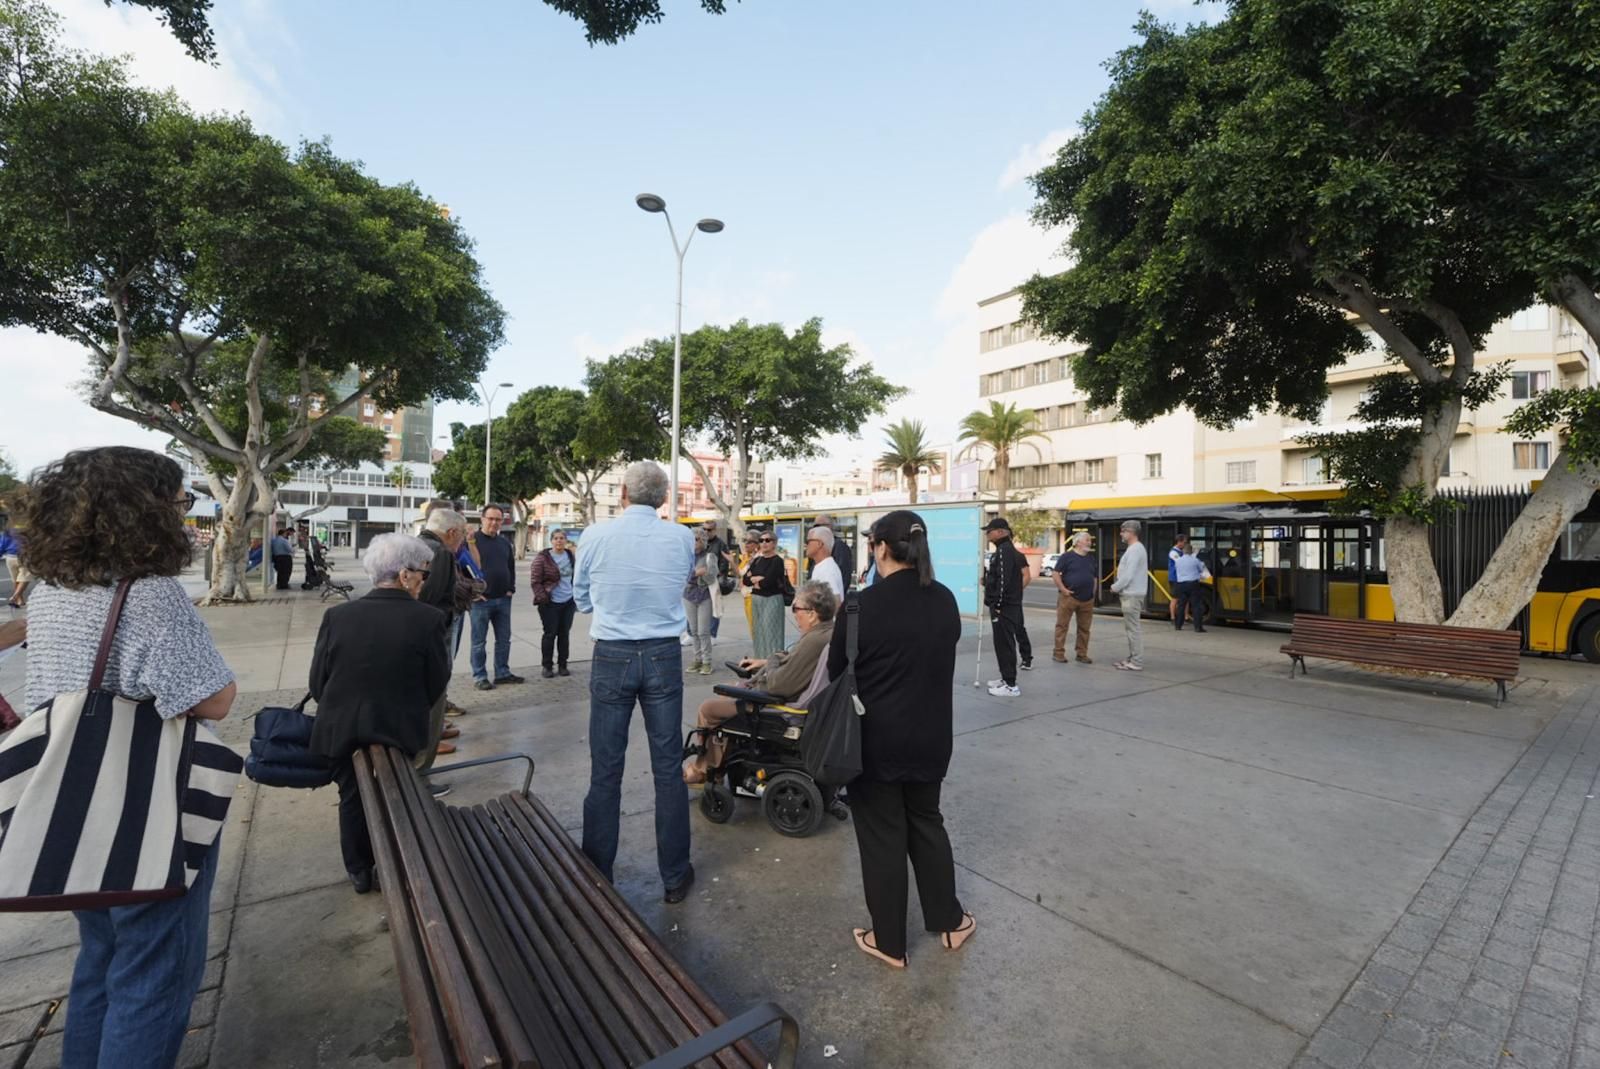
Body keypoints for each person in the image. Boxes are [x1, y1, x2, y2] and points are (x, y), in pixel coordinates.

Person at [15, 446, 237, 1068]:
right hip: (143, 806)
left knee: (101, 959)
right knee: (155, 974)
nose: (182, 514)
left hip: (70, 800)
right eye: (178, 502)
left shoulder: (54, 588)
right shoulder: (150, 594)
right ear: (147, 512)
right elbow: (215, 701)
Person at [828, 510, 972, 969]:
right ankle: (949, 921)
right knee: (927, 822)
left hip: (873, 744)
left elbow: (836, 674)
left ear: (882, 548)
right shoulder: (946, 601)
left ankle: (889, 942)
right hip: (931, 738)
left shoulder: (858, 607)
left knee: (882, 838)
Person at [573, 461, 697, 904]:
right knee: (668, 769)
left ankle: (598, 873)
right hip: (663, 654)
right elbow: (680, 582)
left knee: (605, 770)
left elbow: (582, 597)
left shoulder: (594, 535)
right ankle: (675, 875)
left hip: (613, 655)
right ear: (664, 498)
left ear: (623, 493)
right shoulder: (682, 536)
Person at [309, 533, 450, 893]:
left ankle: (359, 870)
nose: (424, 581)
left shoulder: (337, 615)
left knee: (351, 796)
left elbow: (317, 683)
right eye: (423, 574)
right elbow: (436, 682)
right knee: (395, 794)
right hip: (397, 729)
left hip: (341, 728)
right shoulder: (429, 619)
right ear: (404, 575)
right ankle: (394, 860)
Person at [683, 580, 837, 784]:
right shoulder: (826, 632)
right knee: (729, 693)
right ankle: (716, 765)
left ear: (812, 613)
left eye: (796, 608)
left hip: (779, 706)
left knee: (708, 708)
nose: (794, 613)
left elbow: (778, 685)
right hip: (791, 699)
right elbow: (794, 666)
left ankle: (705, 770)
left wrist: (770, 662)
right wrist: (764, 663)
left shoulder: (813, 641)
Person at [416, 508, 466, 763]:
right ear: (452, 532)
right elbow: (432, 599)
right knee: (433, 691)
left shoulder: (415, 544)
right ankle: (427, 748)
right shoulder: (442, 553)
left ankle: (433, 735)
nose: (462, 542)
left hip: (413, 632)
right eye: (462, 536)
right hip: (432, 633)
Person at [466, 504, 522, 690]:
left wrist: (510, 589)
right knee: (479, 642)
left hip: (503, 600)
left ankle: (502, 673)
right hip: (481, 602)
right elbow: (463, 570)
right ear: (482, 519)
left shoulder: (505, 542)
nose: (494, 523)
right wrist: (472, 593)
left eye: (498, 519)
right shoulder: (472, 541)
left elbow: (510, 568)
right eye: (490, 518)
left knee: (504, 640)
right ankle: (480, 676)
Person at [982, 517, 1033, 697]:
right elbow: (1001, 579)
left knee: (1005, 644)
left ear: (1002, 532)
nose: (987, 534)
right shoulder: (1003, 551)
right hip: (1005, 605)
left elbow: (1004, 581)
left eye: (990, 531)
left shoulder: (1005, 551)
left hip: (1004, 607)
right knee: (1003, 643)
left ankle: (1010, 684)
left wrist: (999, 604)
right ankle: (1006, 678)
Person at [529, 528, 577, 678]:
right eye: (556, 538)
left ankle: (563, 665)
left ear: (566, 540)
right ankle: (547, 666)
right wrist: (543, 597)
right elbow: (535, 581)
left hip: (568, 602)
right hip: (550, 602)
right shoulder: (543, 558)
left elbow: (576, 576)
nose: (559, 541)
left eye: (562, 538)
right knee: (550, 634)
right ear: (551, 541)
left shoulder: (570, 555)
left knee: (564, 634)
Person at [743, 529, 792, 660]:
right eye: (761, 540)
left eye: (767, 540)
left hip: (772, 599)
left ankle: (773, 665)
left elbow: (768, 582)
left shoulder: (777, 561)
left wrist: (755, 579)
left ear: (774, 543)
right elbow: (745, 580)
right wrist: (757, 579)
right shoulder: (757, 560)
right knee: (758, 633)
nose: (764, 543)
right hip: (756, 599)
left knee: (771, 634)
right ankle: (760, 664)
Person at [1053, 530, 1098, 664]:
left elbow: (1094, 577)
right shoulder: (1067, 557)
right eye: (1087, 540)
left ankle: (1081, 653)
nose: (1090, 543)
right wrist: (1063, 589)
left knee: (1084, 628)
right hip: (1069, 598)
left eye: (1090, 540)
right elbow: (1055, 574)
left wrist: (1093, 593)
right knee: (1062, 626)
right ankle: (1058, 653)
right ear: (1078, 542)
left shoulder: (1091, 558)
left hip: (1087, 599)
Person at [1110, 520, 1149, 671]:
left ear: (1131, 532)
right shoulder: (1135, 549)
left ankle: (1136, 661)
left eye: (1123, 531)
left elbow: (1128, 575)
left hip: (1131, 594)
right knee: (1131, 629)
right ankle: (1133, 657)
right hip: (1132, 593)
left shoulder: (1135, 550)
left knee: (1133, 629)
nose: (1121, 534)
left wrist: (1115, 587)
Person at [683, 528, 719, 675]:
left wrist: (695, 576)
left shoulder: (710, 556)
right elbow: (681, 576)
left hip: (705, 596)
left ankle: (706, 662)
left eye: (697, 539)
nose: (694, 542)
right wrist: (697, 573)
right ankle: (697, 659)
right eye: (692, 539)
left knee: (703, 631)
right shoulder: (686, 556)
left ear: (703, 540)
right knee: (693, 631)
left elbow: (711, 576)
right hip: (688, 596)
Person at [700, 519, 731, 640]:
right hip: (699, 580)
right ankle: (692, 633)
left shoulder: (720, 544)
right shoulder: (699, 541)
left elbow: (725, 562)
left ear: (715, 530)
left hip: (714, 581)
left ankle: (712, 635)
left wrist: (719, 576)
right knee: (696, 605)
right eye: (704, 529)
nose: (706, 532)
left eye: (709, 529)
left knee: (715, 607)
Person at [1173, 543, 1209, 633]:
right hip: (1193, 584)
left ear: (1183, 551)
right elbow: (1201, 570)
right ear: (1191, 551)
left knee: (1181, 605)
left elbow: (1176, 569)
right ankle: (1198, 627)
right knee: (1196, 606)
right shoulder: (1195, 560)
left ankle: (1178, 625)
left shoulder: (1178, 561)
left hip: (1181, 585)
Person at [812, 513, 854, 590]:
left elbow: (843, 578)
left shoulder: (840, 547)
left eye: (818, 526)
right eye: (814, 526)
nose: (815, 529)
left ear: (829, 527)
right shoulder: (819, 546)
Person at [805, 525, 845, 600]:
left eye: (808, 541)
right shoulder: (822, 566)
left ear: (819, 544)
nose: (805, 545)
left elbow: (836, 602)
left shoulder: (827, 570)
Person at [1167, 533, 1188, 623]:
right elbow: (1180, 562)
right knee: (1175, 598)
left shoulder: (1182, 551)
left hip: (1183, 578)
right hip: (1175, 578)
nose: (1185, 544)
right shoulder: (1173, 552)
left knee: (1186, 598)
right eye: (1184, 542)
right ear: (1179, 542)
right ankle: (1173, 617)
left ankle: (1185, 617)